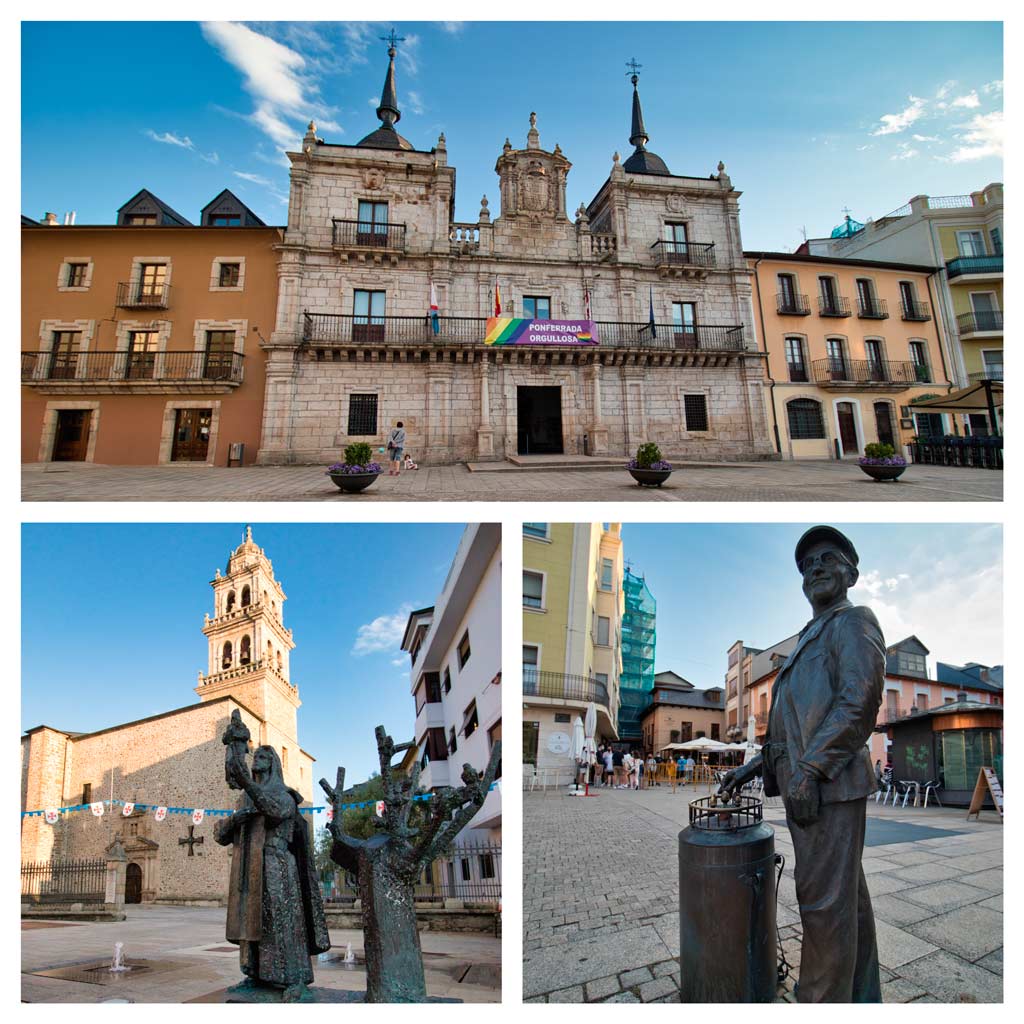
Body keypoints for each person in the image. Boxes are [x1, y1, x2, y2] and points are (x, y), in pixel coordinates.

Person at [718, 526, 884, 1003]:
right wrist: (749, 769)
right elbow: (788, 730)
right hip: (810, 787)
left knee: (822, 907)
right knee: (846, 905)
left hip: (828, 786)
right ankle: (862, 998)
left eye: (826, 559)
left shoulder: (853, 622)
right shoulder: (811, 637)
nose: (815, 568)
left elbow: (859, 703)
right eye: (807, 565)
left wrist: (810, 771)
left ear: (850, 573)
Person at [217, 742, 330, 1000]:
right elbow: (221, 836)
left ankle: (295, 979)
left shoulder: (285, 794)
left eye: (262, 756)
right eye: (255, 755)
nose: (256, 758)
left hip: (278, 864)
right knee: (251, 924)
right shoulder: (245, 798)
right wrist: (235, 819)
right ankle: (253, 974)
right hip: (250, 865)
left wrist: (247, 783)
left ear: (273, 763)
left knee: (283, 922)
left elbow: (276, 812)